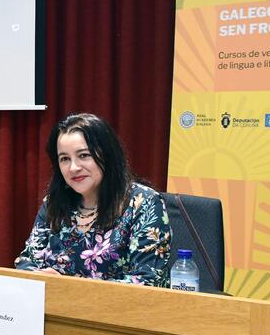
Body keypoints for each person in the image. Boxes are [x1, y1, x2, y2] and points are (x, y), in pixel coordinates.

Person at [15, 113, 171, 286]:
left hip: (118, 312)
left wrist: (68, 286)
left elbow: (147, 282)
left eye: (84, 155)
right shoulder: (54, 203)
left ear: (107, 155)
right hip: (54, 309)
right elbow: (26, 261)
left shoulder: (144, 203)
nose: (74, 168)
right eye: (65, 159)